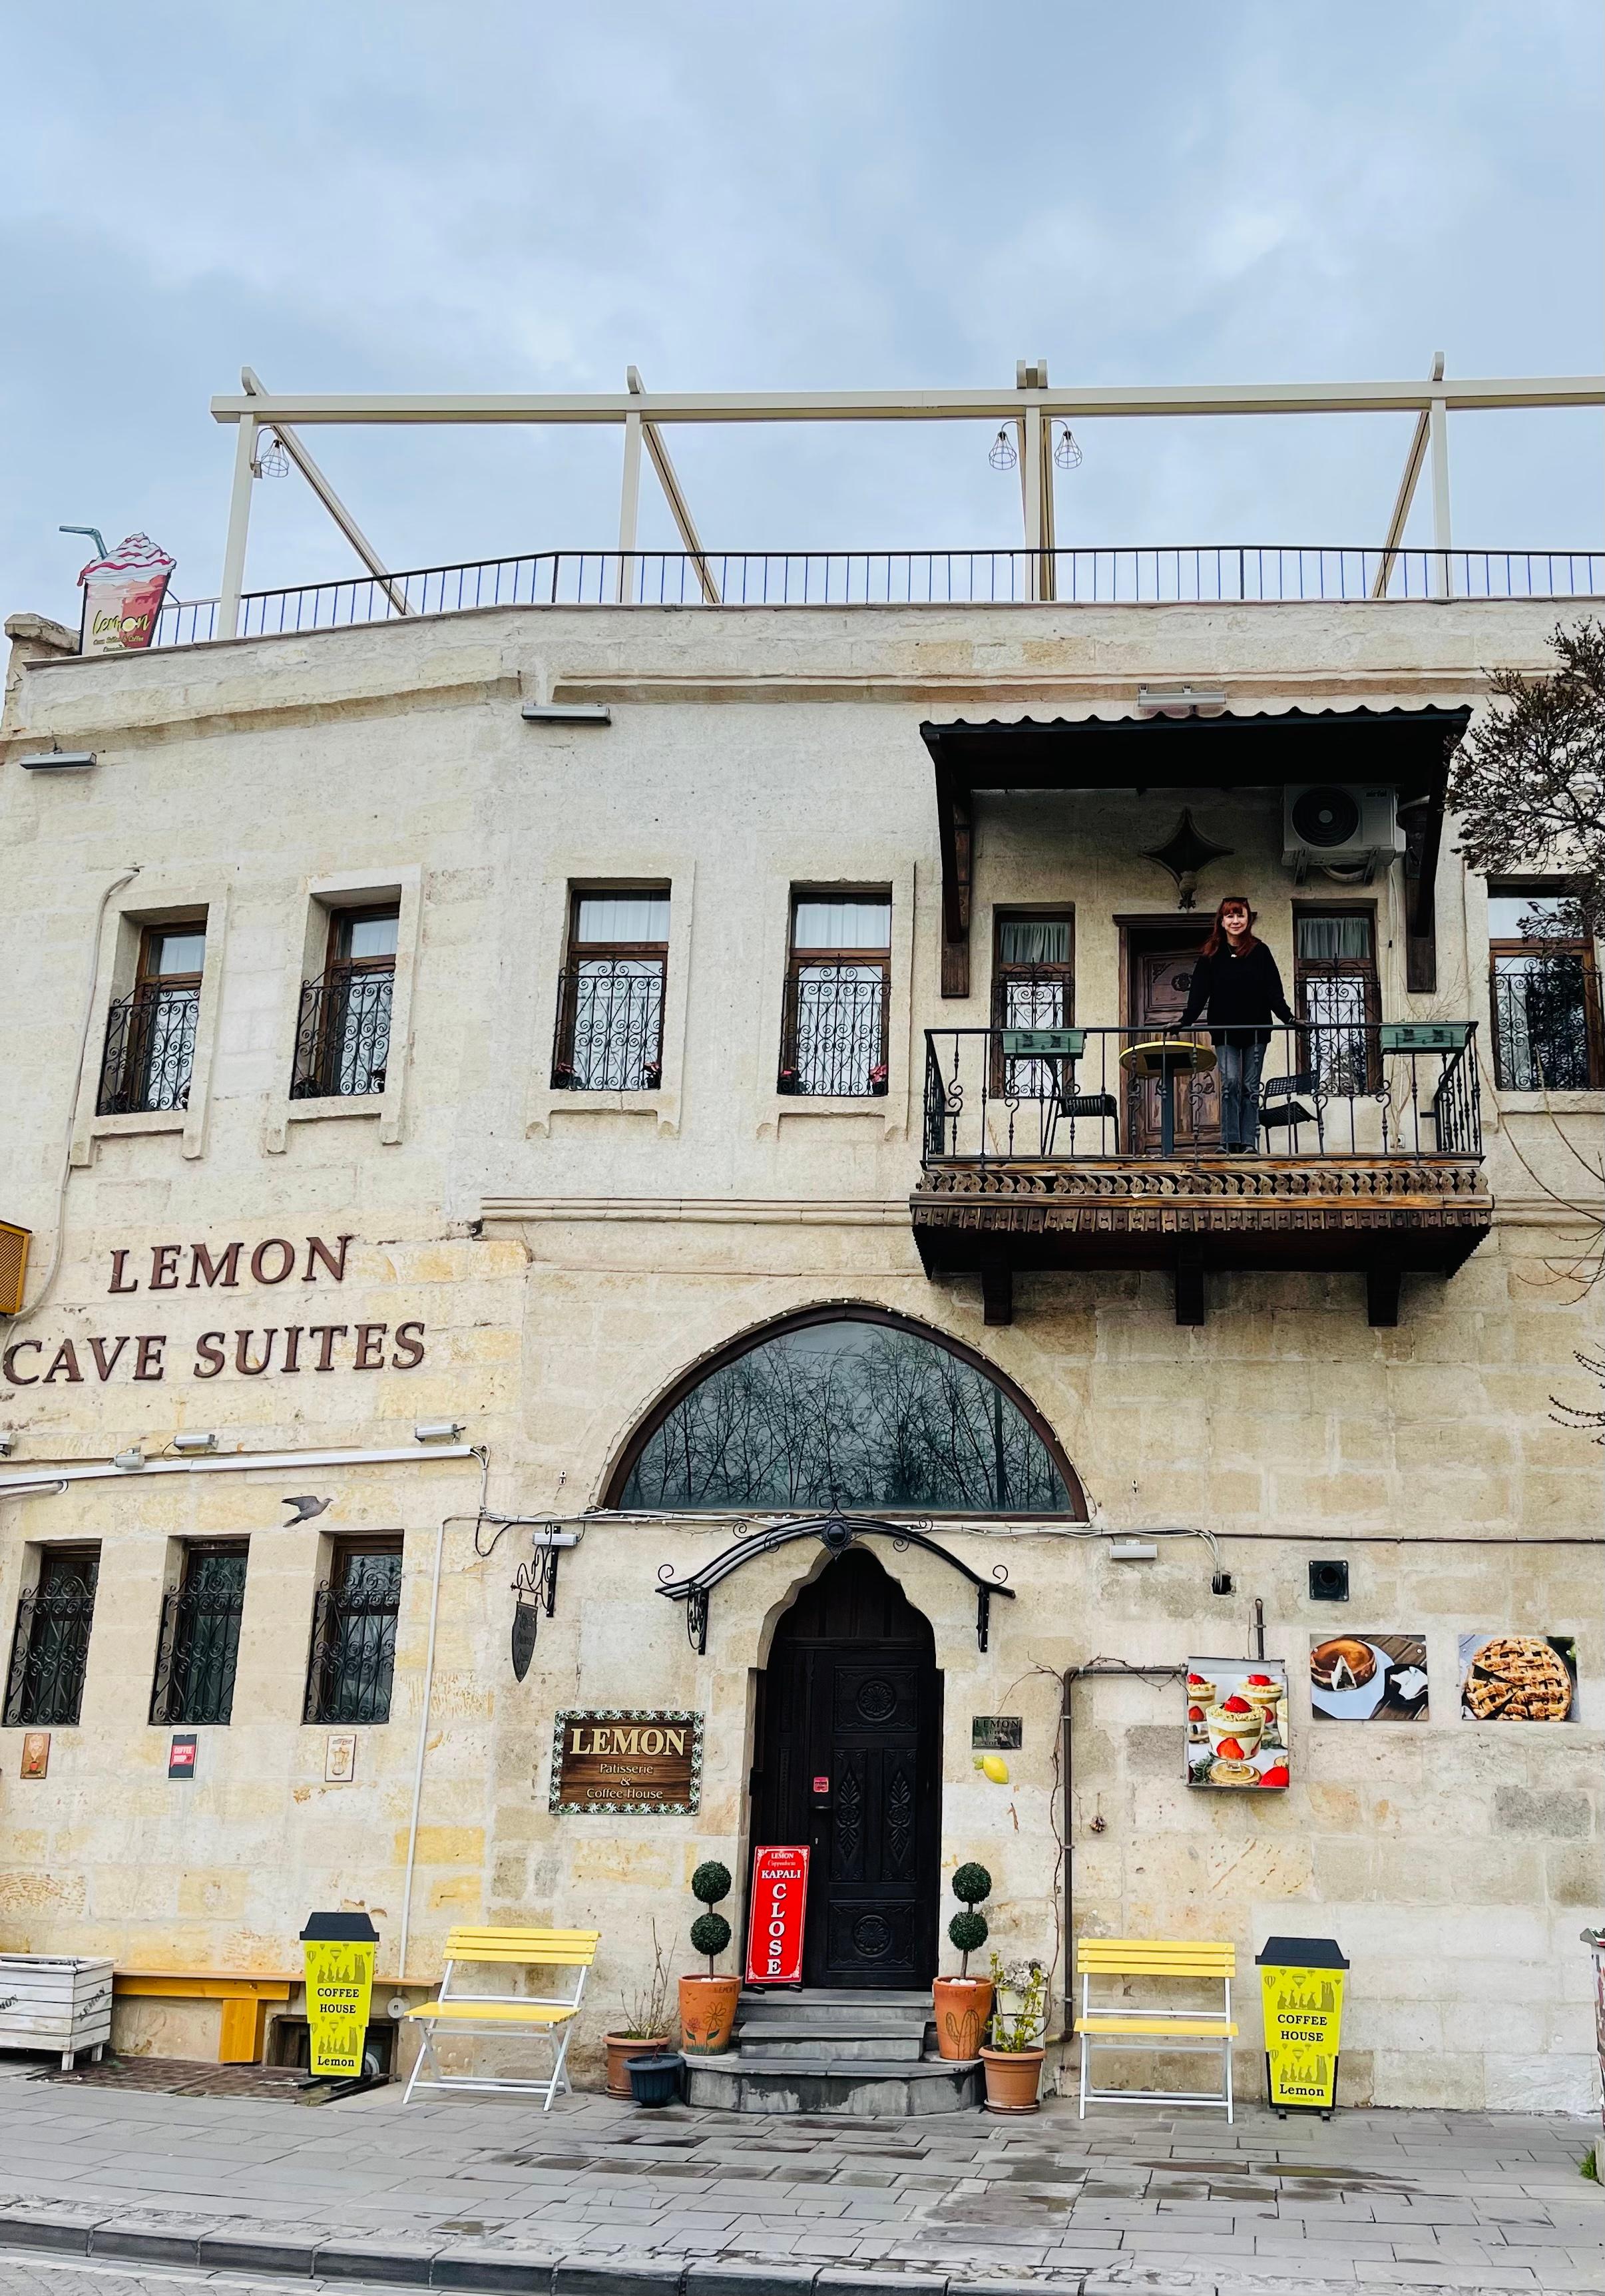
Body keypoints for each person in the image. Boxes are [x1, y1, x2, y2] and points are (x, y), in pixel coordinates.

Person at [1178, 897, 1296, 1152]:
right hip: (1224, 1031)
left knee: (1251, 1087)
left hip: (1256, 1030)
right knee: (1231, 1083)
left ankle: (1248, 1143)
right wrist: (1183, 1021)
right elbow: (1198, 993)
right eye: (1230, 916)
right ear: (1221, 921)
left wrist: (1290, 1019)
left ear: (1248, 919)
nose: (1235, 921)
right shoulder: (1211, 954)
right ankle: (1229, 1140)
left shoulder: (1260, 951)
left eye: (1240, 915)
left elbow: (1273, 991)